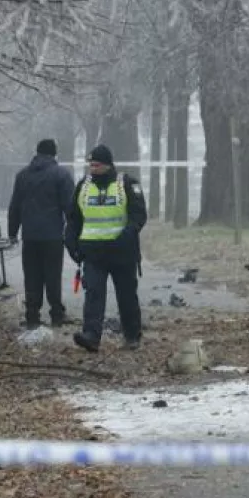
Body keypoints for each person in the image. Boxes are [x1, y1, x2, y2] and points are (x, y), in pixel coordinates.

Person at [65, 145, 147, 352]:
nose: (92, 168)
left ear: (108, 164)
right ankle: (91, 336)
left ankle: (132, 336)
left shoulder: (127, 183)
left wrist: (126, 236)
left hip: (122, 252)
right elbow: (73, 218)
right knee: (93, 294)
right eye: (90, 164)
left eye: (96, 164)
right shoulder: (82, 186)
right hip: (93, 253)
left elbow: (138, 216)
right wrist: (71, 243)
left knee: (127, 296)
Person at [7, 139, 75, 330]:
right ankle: (56, 315)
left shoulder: (22, 176)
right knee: (52, 275)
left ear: (37, 153)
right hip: (52, 236)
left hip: (30, 236)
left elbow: (15, 207)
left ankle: (32, 317)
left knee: (32, 276)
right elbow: (69, 206)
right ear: (54, 154)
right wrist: (73, 230)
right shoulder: (61, 174)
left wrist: (12, 233)